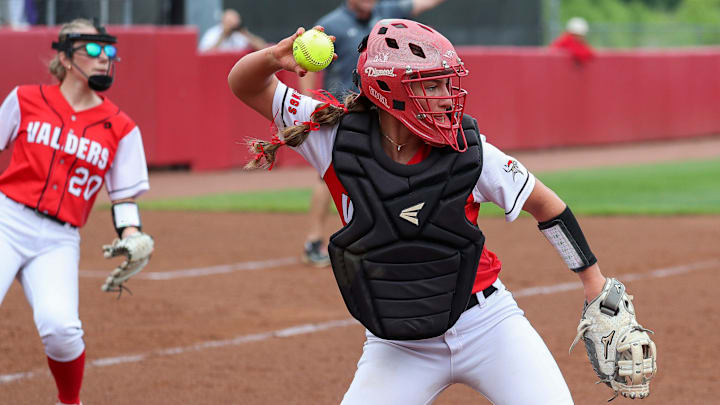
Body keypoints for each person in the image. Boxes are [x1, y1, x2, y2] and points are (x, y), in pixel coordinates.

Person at [229, 20, 655, 404]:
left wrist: (594, 284)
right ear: (388, 88)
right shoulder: (333, 135)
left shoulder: (471, 151)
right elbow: (244, 86)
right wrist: (272, 58)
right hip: (398, 343)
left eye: (447, 84)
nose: (446, 97)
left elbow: (548, 208)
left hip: (488, 324)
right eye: (431, 85)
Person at [0, 18, 154, 405]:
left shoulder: (121, 128)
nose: (105, 60)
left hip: (59, 238)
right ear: (67, 57)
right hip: (7, 219)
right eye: (95, 50)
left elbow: (123, 197)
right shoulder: (24, 99)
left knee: (61, 328)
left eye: (110, 52)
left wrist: (132, 234)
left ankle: (69, 401)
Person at [298, 0, 448, 267]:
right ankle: (314, 240)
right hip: (342, 112)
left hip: (380, 112)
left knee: (382, 175)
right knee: (327, 176)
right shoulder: (331, 25)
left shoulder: (387, 13)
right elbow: (307, 66)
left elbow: (417, 5)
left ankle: (381, 241)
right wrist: (310, 104)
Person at [198, 9, 267, 53]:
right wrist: (223, 35)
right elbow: (204, 54)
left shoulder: (240, 35)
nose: (231, 24)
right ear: (223, 21)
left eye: (234, 21)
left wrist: (246, 34)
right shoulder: (212, 33)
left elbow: (263, 48)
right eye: (229, 21)